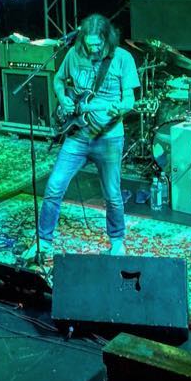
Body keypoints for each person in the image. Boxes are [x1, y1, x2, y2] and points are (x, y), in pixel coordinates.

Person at [31, 14, 139, 260]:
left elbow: (130, 99)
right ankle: (43, 241)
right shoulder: (73, 54)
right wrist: (62, 98)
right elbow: (58, 79)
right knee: (54, 186)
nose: (94, 49)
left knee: (112, 193)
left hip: (108, 136)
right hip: (77, 134)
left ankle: (117, 241)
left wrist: (121, 108)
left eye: (98, 44)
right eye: (89, 44)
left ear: (107, 39)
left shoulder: (122, 58)